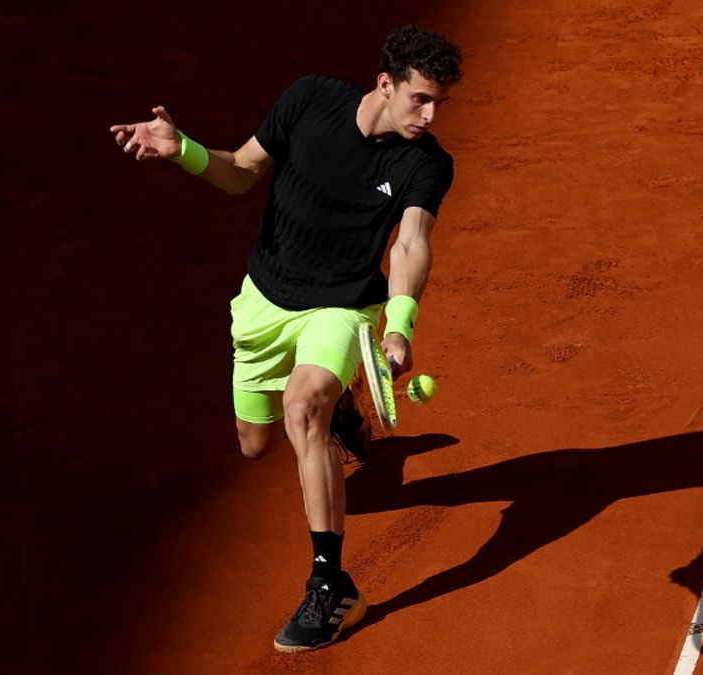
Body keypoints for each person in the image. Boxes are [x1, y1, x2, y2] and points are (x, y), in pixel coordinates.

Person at [109, 25, 463, 652]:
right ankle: (348, 409)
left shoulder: (426, 163)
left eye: (439, 103)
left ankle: (332, 587)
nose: (431, 116)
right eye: (421, 99)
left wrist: (400, 326)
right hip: (264, 302)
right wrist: (182, 147)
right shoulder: (308, 100)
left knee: (303, 409)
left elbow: (411, 242)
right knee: (253, 444)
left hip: (341, 306)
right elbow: (243, 171)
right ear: (385, 83)